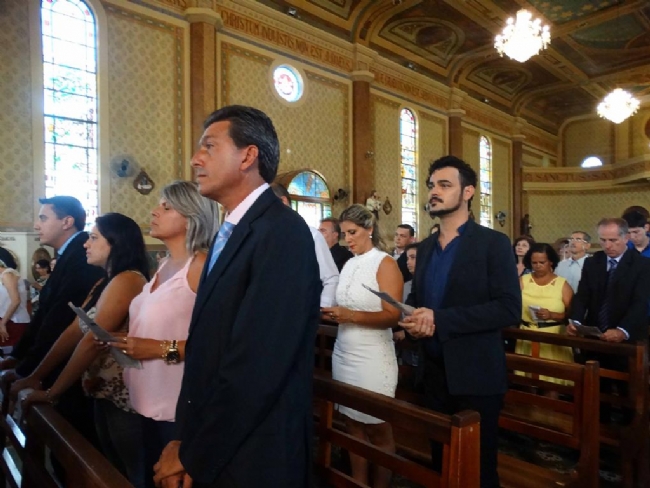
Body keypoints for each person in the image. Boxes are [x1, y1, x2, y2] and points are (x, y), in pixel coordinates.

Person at [154, 105, 321, 488]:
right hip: (220, 440)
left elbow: (257, 364)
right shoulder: (231, 231)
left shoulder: (282, 233)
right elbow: (208, 348)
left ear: (248, 156)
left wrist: (195, 453)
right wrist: (184, 437)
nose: (196, 159)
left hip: (255, 452)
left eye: (209, 146)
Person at [400, 156, 520, 488]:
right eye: (431, 185)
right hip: (433, 372)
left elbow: (509, 309)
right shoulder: (425, 248)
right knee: (442, 465)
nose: (433, 192)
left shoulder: (492, 244)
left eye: (444, 185)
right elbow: (419, 300)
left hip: (476, 373)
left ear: (468, 192)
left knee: (477, 470)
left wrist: (440, 319)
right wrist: (412, 321)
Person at [13, 213, 150, 487]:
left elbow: (91, 341)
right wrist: (36, 376)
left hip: (124, 395)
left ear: (116, 242)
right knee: (109, 467)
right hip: (102, 390)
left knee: (129, 474)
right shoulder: (104, 281)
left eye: (94, 238)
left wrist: (52, 392)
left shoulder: (128, 279)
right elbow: (74, 331)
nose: (86, 244)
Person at [113, 181, 218, 488]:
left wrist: (158, 348)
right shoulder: (164, 265)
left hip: (176, 407)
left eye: (167, 207)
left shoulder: (201, 266)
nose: (154, 211)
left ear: (191, 217)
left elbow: (215, 344)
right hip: (145, 398)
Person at [0, 196, 105, 448]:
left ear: (67, 222)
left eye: (43, 218)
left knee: (72, 440)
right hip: (56, 363)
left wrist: (29, 370)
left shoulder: (80, 255)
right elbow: (45, 314)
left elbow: (59, 319)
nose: (36, 225)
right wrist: (18, 357)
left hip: (69, 368)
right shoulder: (69, 253)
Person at [322, 204, 402, 488]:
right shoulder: (349, 263)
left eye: (353, 232)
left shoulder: (385, 263)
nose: (348, 240)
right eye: (344, 234)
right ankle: (359, 483)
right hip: (345, 352)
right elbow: (344, 305)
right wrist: (331, 313)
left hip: (373, 356)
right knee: (352, 423)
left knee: (378, 427)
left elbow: (393, 316)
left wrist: (351, 316)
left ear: (369, 229)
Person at [272, 183, 339, 307]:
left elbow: (331, 279)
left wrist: (322, 309)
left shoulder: (311, 235)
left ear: (283, 202)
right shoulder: (265, 236)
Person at [515, 243, 574, 385]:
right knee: (528, 378)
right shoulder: (523, 281)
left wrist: (552, 315)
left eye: (542, 262)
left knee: (552, 379)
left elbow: (572, 313)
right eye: (534, 263)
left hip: (552, 335)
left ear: (551, 262)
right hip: (527, 333)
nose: (537, 266)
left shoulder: (562, 284)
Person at [0, 255, 30, 347]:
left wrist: (2, 323)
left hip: (13, 320)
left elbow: (16, 300)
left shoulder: (7, 274)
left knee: (12, 351)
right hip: (6, 319)